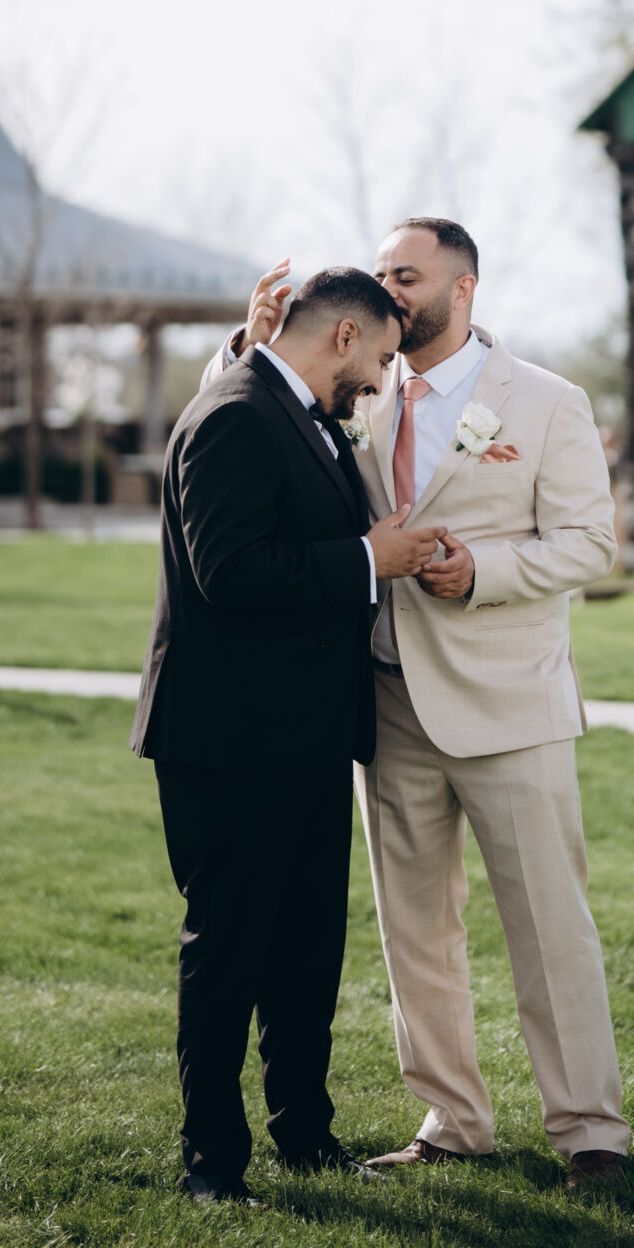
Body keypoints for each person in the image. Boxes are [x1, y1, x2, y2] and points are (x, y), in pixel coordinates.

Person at [216, 220, 630, 1193]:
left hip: (509, 705)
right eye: (382, 274)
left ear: (464, 287)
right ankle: (453, 1121)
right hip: (385, 700)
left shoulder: (546, 401)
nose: (389, 290)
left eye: (407, 275)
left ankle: (590, 1132)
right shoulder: (355, 388)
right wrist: (249, 344)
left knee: (549, 927)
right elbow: (242, 425)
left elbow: (589, 542)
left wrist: (483, 570)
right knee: (414, 931)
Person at [131, 268, 446, 1206]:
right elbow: (229, 572)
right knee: (229, 950)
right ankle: (211, 1163)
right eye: (381, 357)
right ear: (344, 335)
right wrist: (366, 558)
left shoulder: (304, 416)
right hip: (228, 739)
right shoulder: (234, 415)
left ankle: (304, 1135)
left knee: (306, 950)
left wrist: (373, 551)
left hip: (306, 734)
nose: (381, 379)